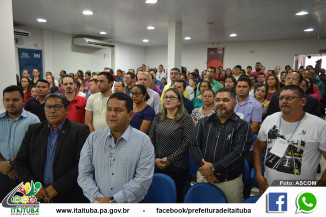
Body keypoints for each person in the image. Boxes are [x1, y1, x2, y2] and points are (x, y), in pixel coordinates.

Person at [78, 92, 155, 203]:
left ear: (130, 115)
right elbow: (84, 174)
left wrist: (114, 201)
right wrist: (98, 200)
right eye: (109, 109)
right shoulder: (93, 138)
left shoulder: (143, 141)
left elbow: (142, 180)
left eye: (118, 110)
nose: (112, 114)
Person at [15, 94, 90, 203]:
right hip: (37, 195)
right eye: (48, 107)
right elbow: (20, 162)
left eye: (57, 107)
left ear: (67, 109)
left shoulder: (80, 131)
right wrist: (33, 186)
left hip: (68, 195)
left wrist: (57, 188)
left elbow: (82, 165)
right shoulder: (34, 130)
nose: (52, 111)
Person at [253, 85, 326, 195]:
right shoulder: (270, 120)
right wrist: (258, 175)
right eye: (281, 98)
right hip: (270, 187)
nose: (284, 101)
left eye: (289, 98)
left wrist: (320, 187)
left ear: (303, 101)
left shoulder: (319, 126)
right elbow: (258, 149)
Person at [190, 88, 253, 203]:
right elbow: (194, 146)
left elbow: (238, 153)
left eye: (225, 100)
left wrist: (213, 168)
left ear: (234, 104)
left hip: (229, 182)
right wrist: (206, 171)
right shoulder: (204, 122)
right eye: (217, 100)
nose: (221, 103)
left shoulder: (242, 126)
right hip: (204, 178)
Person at [149, 88, 194, 203]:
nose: (168, 99)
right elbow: (151, 139)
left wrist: (169, 159)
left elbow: (187, 143)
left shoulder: (186, 118)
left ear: (179, 101)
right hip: (158, 165)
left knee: (176, 199)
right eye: (166, 97)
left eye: (172, 97)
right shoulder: (158, 117)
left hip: (178, 166)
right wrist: (156, 159)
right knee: (159, 197)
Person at [0, 86, 40, 201]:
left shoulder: (33, 120)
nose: (10, 103)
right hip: (2, 171)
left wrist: (11, 164)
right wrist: (3, 163)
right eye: (7, 100)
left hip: (25, 173)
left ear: (23, 101)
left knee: (24, 208)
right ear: (3, 101)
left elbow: (33, 148)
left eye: (15, 100)